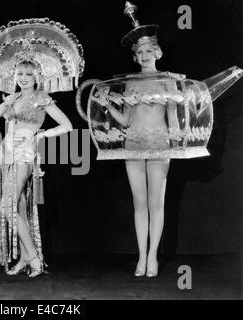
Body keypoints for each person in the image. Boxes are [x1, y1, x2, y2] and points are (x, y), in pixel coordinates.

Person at [0, 18, 84, 277]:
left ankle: (35, 258)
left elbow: (67, 125)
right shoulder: (12, 97)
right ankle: (27, 257)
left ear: (37, 76)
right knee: (16, 207)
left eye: (28, 74)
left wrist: (41, 135)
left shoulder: (41, 98)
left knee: (8, 207)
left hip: (24, 152)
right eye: (20, 74)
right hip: (6, 152)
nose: (23, 78)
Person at [93, 3, 179, 277]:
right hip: (132, 144)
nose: (144, 55)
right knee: (139, 203)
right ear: (134, 57)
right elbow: (127, 120)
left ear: (158, 52)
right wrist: (107, 103)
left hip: (159, 145)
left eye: (149, 50)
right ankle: (141, 256)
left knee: (157, 203)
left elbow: (174, 120)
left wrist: (179, 142)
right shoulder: (130, 83)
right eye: (139, 52)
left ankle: (153, 257)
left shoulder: (169, 81)